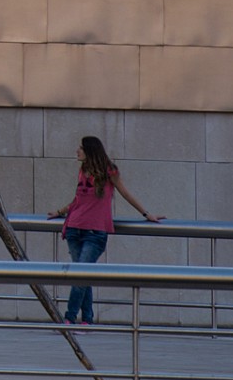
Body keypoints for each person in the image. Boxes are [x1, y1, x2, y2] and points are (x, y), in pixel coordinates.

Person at [48, 135, 163, 325]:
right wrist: (60, 212)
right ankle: (87, 320)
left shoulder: (110, 171)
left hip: (95, 232)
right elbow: (79, 200)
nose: (77, 151)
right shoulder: (82, 170)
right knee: (83, 275)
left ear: (90, 151)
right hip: (74, 229)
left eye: (80, 148)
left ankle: (68, 320)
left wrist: (147, 214)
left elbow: (125, 193)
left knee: (80, 275)